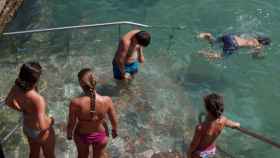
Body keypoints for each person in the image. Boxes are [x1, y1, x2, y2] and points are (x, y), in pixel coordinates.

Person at [5, 62, 55, 158]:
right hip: (40, 132)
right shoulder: (38, 99)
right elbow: (43, 126)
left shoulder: (16, 88)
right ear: (36, 79)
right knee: (49, 155)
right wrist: (51, 121)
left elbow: (8, 102)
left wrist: (21, 109)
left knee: (34, 154)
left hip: (28, 128)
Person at [67, 68, 118, 158]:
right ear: (95, 81)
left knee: (82, 156)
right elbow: (113, 119)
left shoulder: (76, 103)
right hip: (101, 135)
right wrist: (114, 130)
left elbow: (71, 122)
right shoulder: (107, 100)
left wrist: (69, 133)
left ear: (81, 83)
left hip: (81, 135)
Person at [187, 93, 240, 158]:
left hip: (200, 154)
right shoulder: (224, 120)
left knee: (192, 153)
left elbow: (193, 145)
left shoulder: (200, 128)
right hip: (211, 151)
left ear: (207, 110)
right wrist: (237, 124)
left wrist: (189, 153)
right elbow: (234, 125)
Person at [198, 32, 271, 59]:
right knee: (222, 56)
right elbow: (254, 56)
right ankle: (203, 53)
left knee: (214, 42)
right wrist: (260, 56)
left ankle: (208, 35)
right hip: (233, 44)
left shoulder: (253, 38)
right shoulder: (258, 46)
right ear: (263, 44)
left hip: (231, 36)